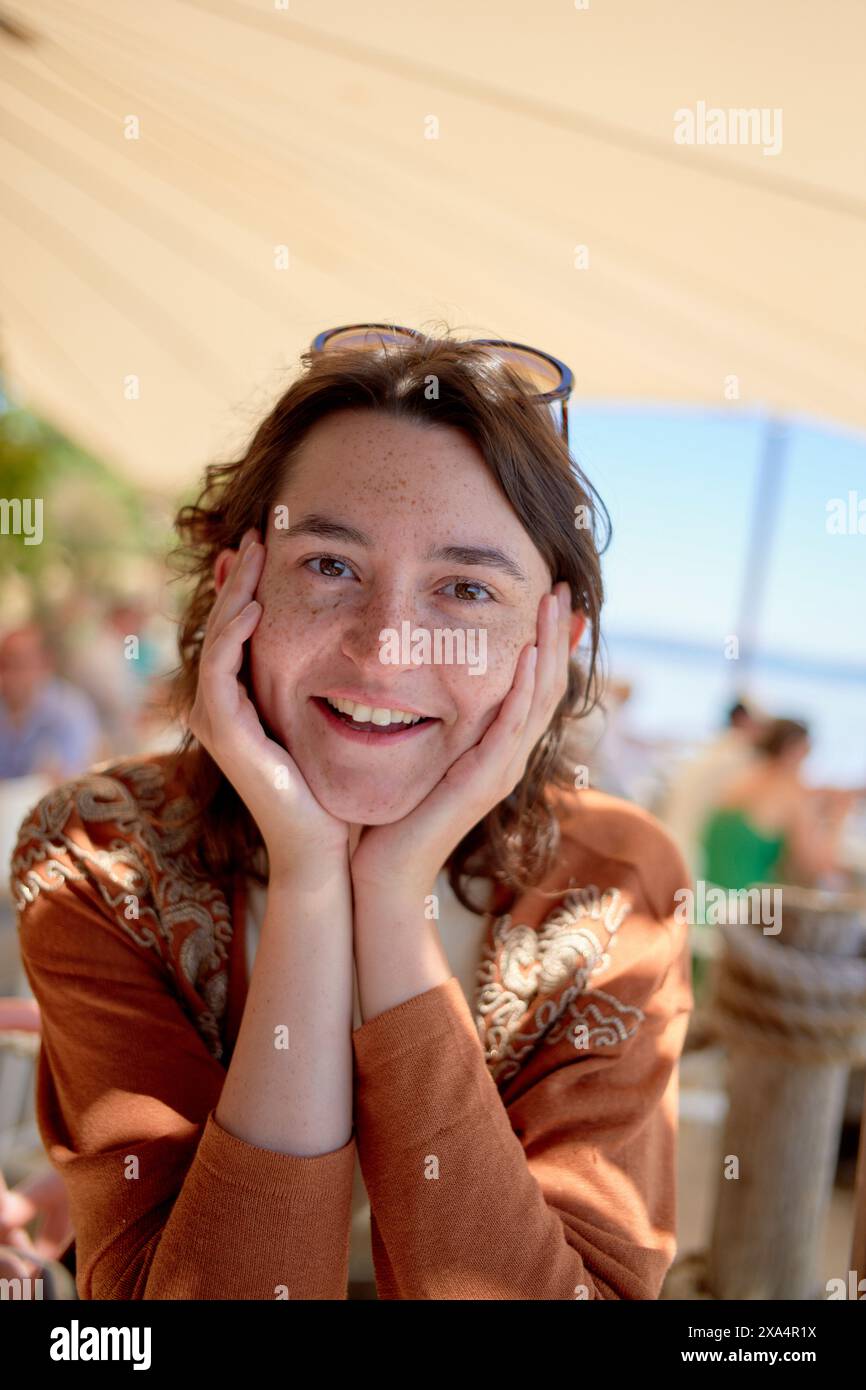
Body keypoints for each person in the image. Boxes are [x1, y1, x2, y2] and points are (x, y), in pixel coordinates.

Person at [11, 327, 693, 1301]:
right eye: (329, 565)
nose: (382, 649)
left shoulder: (612, 886)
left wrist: (387, 893)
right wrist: (307, 881)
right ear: (233, 583)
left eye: (463, 588)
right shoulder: (102, 854)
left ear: (551, 638)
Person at [699, 717, 858, 891]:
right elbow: (816, 869)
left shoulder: (742, 778)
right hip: (749, 907)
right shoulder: (789, 790)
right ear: (795, 750)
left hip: (709, 898)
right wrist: (838, 816)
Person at [658, 697, 764, 884]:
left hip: (672, 841)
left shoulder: (712, 749)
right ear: (744, 720)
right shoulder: (740, 757)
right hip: (691, 852)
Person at [0, 625, 104, 782]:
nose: (8, 675)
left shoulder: (69, 708)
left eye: (19, 664)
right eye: (4, 665)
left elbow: (77, 775)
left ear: (46, 664)